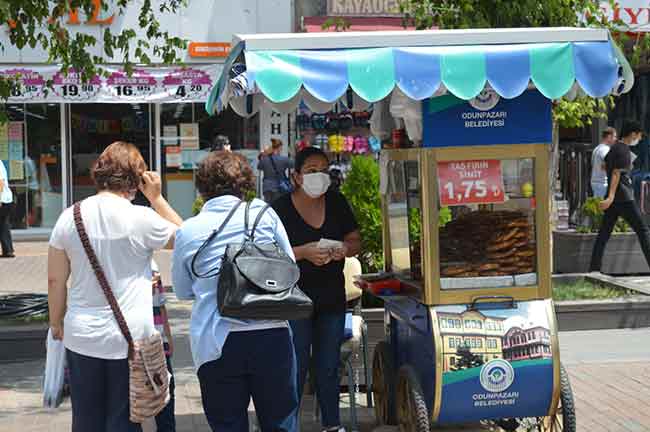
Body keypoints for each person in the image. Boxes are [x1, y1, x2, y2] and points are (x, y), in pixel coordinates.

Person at [47, 141, 182, 432]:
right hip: (131, 339)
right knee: (125, 419)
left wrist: (56, 321)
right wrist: (157, 199)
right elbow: (187, 239)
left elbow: (55, 281)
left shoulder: (69, 217)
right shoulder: (142, 218)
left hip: (81, 334)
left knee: (86, 420)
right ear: (137, 178)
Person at [172, 150, 298, 432]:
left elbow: (182, 291)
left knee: (227, 425)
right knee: (281, 422)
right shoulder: (265, 215)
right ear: (246, 183)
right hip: (272, 334)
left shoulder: (189, 230)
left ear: (202, 187)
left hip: (216, 341)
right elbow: (289, 267)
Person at [272, 147, 361, 432]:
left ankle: (332, 425)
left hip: (331, 299)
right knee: (294, 367)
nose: (318, 176)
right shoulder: (280, 209)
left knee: (328, 367)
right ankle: (289, 425)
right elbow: (268, 254)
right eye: (311, 171)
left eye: (323, 170)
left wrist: (344, 249)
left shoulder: (337, 202)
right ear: (296, 176)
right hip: (293, 300)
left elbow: (355, 240)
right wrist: (304, 252)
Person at [590, 120, 650, 272]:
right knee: (643, 230)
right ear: (632, 134)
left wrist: (611, 195)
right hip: (624, 197)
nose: (639, 139)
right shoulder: (623, 150)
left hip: (615, 199)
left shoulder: (614, 148)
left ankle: (594, 268)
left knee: (604, 233)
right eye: (639, 136)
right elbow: (616, 173)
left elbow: (605, 166)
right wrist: (610, 196)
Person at [152, 260, 176, 432]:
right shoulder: (150, 264)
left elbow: (161, 305)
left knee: (165, 394)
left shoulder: (151, 265)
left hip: (156, 342)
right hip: (153, 342)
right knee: (165, 396)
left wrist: (168, 337)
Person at [258, 138, 294, 203]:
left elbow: (259, 167)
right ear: (279, 148)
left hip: (267, 187)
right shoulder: (284, 159)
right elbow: (293, 165)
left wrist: (263, 155)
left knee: (268, 207)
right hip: (279, 187)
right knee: (277, 207)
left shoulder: (265, 159)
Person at [591, 127, 617, 198]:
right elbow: (606, 165)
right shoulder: (605, 149)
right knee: (601, 207)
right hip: (602, 183)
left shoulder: (597, 148)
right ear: (609, 137)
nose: (615, 139)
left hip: (596, 181)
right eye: (614, 136)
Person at [0, 160, 14, 258]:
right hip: (6, 199)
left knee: (3, 224)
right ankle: (8, 250)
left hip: (3, 199)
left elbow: (0, 182)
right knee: (3, 225)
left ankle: (8, 250)